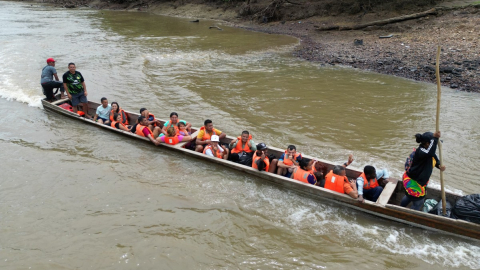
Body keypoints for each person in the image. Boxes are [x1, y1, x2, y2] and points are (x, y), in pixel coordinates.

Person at [401, 131, 446, 210]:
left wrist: (439, 166)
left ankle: (401, 208)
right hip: (413, 181)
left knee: (409, 197)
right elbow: (430, 153)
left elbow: (435, 159)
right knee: (419, 202)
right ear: (427, 144)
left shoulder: (429, 152)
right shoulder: (421, 151)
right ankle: (410, 217)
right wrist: (435, 138)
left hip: (420, 181)